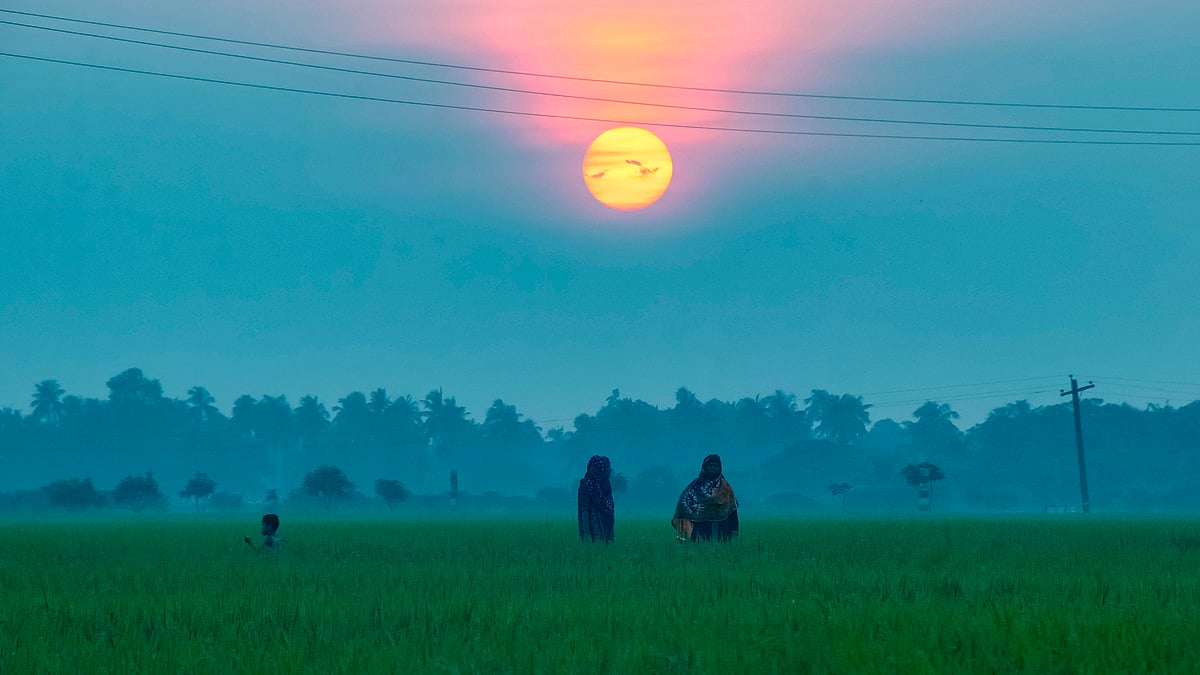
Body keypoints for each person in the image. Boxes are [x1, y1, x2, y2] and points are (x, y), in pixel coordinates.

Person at [671, 454, 739, 542]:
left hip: (722, 528)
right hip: (700, 528)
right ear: (704, 467)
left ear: (720, 468)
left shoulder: (725, 487)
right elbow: (683, 506)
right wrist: (684, 528)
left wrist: (734, 529)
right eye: (710, 465)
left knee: (720, 552)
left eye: (715, 466)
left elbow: (732, 509)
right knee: (700, 551)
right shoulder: (695, 486)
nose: (713, 468)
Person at [578, 455, 615, 543]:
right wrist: (586, 536)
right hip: (595, 533)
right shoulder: (587, 485)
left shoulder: (605, 487)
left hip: (607, 533)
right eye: (607, 467)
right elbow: (584, 511)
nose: (610, 470)